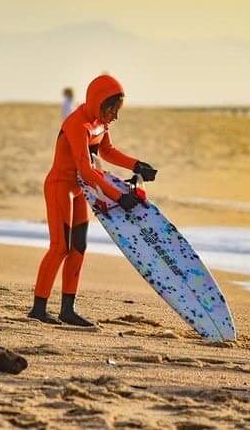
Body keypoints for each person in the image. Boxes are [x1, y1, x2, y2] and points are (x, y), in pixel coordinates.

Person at [28, 74, 158, 327]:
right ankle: (38, 309)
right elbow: (86, 170)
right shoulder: (77, 123)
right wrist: (119, 197)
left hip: (79, 191)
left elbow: (106, 151)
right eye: (112, 110)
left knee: (78, 247)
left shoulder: (100, 123)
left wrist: (137, 165)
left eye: (118, 111)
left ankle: (67, 310)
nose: (115, 116)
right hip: (59, 188)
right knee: (60, 248)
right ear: (98, 102)